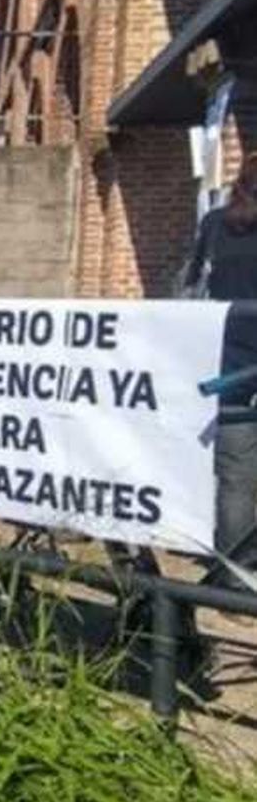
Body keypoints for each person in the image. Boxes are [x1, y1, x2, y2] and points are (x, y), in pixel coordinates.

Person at [187, 153, 257, 574]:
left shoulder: (215, 224)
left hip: (227, 356)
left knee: (235, 472)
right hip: (236, 359)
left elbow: (193, 284)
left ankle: (236, 571)